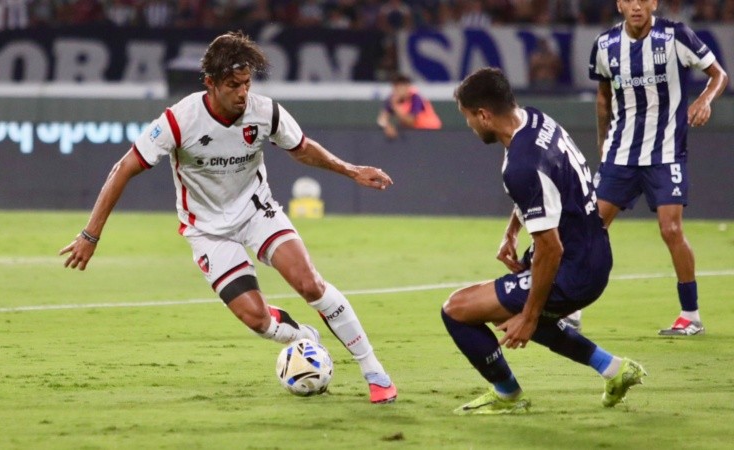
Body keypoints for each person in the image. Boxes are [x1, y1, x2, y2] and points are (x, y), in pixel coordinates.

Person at [59, 31, 398, 404]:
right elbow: (123, 168)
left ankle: (374, 372)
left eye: (247, 83)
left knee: (310, 283)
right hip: (206, 231)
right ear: (210, 83)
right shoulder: (179, 120)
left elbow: (301, 149)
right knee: (257, 320)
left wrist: (351, 170)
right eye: (233, 85)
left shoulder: (265, 111)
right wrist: (90, 236)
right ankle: (303, 338)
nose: (242, 93)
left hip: (256, 211)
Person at [443, 67, 645, 415]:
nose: (470, 127)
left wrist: (531, 317)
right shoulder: (536, 120)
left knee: (457, 310)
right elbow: (545, 188)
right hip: (594, 250)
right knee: (510, 310)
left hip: (573, 267)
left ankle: (507, 394)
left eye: (468, 118)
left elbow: (551, 248)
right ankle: (614, 369)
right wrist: (512, 229)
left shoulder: (520, 164)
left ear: (484, 115)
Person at [588, 0, 728, 336]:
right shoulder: (605, 45)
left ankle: (690, 315)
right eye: (629, 0)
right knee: (590, 229)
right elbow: (603, 97)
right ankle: (572, 310)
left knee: (671, 230)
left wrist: (705, 99)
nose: (636, 6)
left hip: (665, 153)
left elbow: (718, 74)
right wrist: (603, 145)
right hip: (620, 154)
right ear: (620, 4)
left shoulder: (675, 35)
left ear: (654, 3)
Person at [377, 73, 442, 140]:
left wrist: (395, 106)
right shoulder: (392, 99)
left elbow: (411, 122)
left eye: (403, 86)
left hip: (431, 132)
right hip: (414, 134)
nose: (399, 90)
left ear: (408, 87)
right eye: (397, 87)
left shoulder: (416, 98)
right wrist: (387, 127)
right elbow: (381, 120)